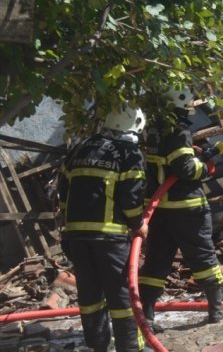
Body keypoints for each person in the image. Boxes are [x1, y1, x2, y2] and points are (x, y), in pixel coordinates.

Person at [58, 105, 149, 352]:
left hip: (76, 234)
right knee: (121, 295)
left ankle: (97, 345)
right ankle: (130, 347)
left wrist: (67, 224)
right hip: (109, 237)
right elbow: (130, 197)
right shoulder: (129, 152)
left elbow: (62, 189)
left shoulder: (82, 147)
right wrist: (138, 224)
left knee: (89, 293)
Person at [138, 86, 223, 332]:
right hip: (186, 208)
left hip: (158, 210)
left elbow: (167, 162)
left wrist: (193, 156)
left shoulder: (152, 128)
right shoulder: (178, 128)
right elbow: (185, 169)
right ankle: (216, 312)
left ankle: (147, 315)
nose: (190, 111)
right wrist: (205, 167)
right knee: (202, 256)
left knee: (156, 261)